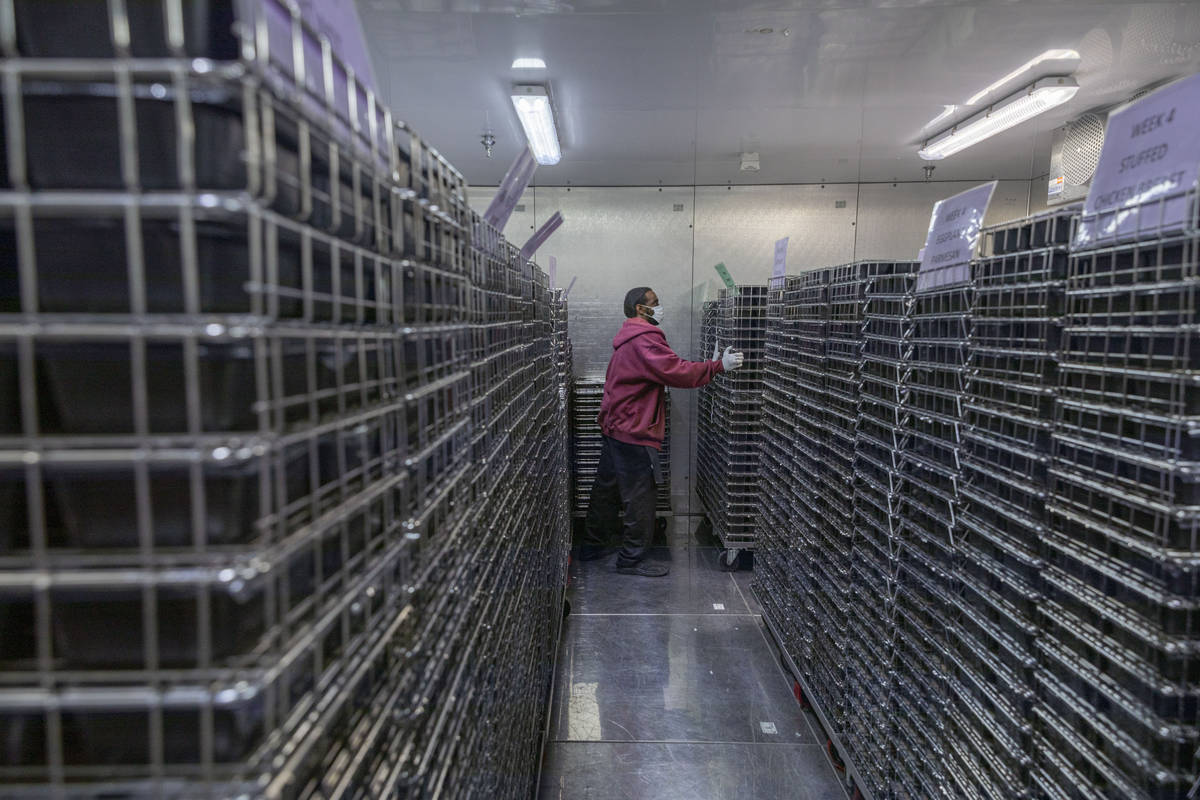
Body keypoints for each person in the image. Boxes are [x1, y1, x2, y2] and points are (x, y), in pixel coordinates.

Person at [579, 286, 744, 577]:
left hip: (616, 424)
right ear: (641, 310)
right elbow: (676, 371)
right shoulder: (645, 341)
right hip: (634, 430)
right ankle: (631, 559)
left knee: (606, 489)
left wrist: (708, 364)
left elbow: (668, 367)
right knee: (640, 496)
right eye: (656, 303)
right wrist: (718, 366)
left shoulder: (629, 337)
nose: (660, 307)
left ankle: (592, 546)